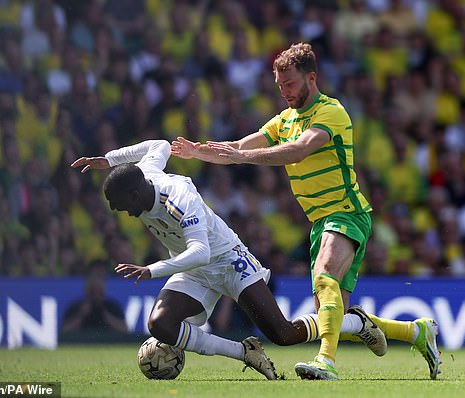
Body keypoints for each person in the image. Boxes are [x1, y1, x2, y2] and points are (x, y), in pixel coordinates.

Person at [171, 43, 441, 380]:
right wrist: (200, 152)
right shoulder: (285, 119)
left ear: (311, 78)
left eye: (291, 84)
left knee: (324, 275)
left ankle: (325, 363)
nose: (285, 92)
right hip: (320, 222)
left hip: (347, 212)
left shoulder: (332, 112)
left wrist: (240, 157)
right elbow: (240, 146)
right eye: (280, 85)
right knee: (333, 316)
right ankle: (416, 332)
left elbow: (298, 151)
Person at [71, 139, 387, 380]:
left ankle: (356, 322)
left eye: (119, 204)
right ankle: (244, 352)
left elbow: (202, 252)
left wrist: (152, 271)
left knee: (283, 334)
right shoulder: (145, 174)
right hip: (193, 271)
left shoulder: (179, 199)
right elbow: (160, 145)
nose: (120, 211)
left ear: (135, 194)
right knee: (160, 325)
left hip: (226, 261)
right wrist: (108, 160)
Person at [62, 261, 128, 333]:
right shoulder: (76, 307)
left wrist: (106, 316)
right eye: (92, 292)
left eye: (98, 293)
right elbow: (64, 330)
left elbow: (125, 329)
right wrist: (81, 315)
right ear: (87, 292)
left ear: (103, 292)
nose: (96, 297)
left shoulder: (111, 307)